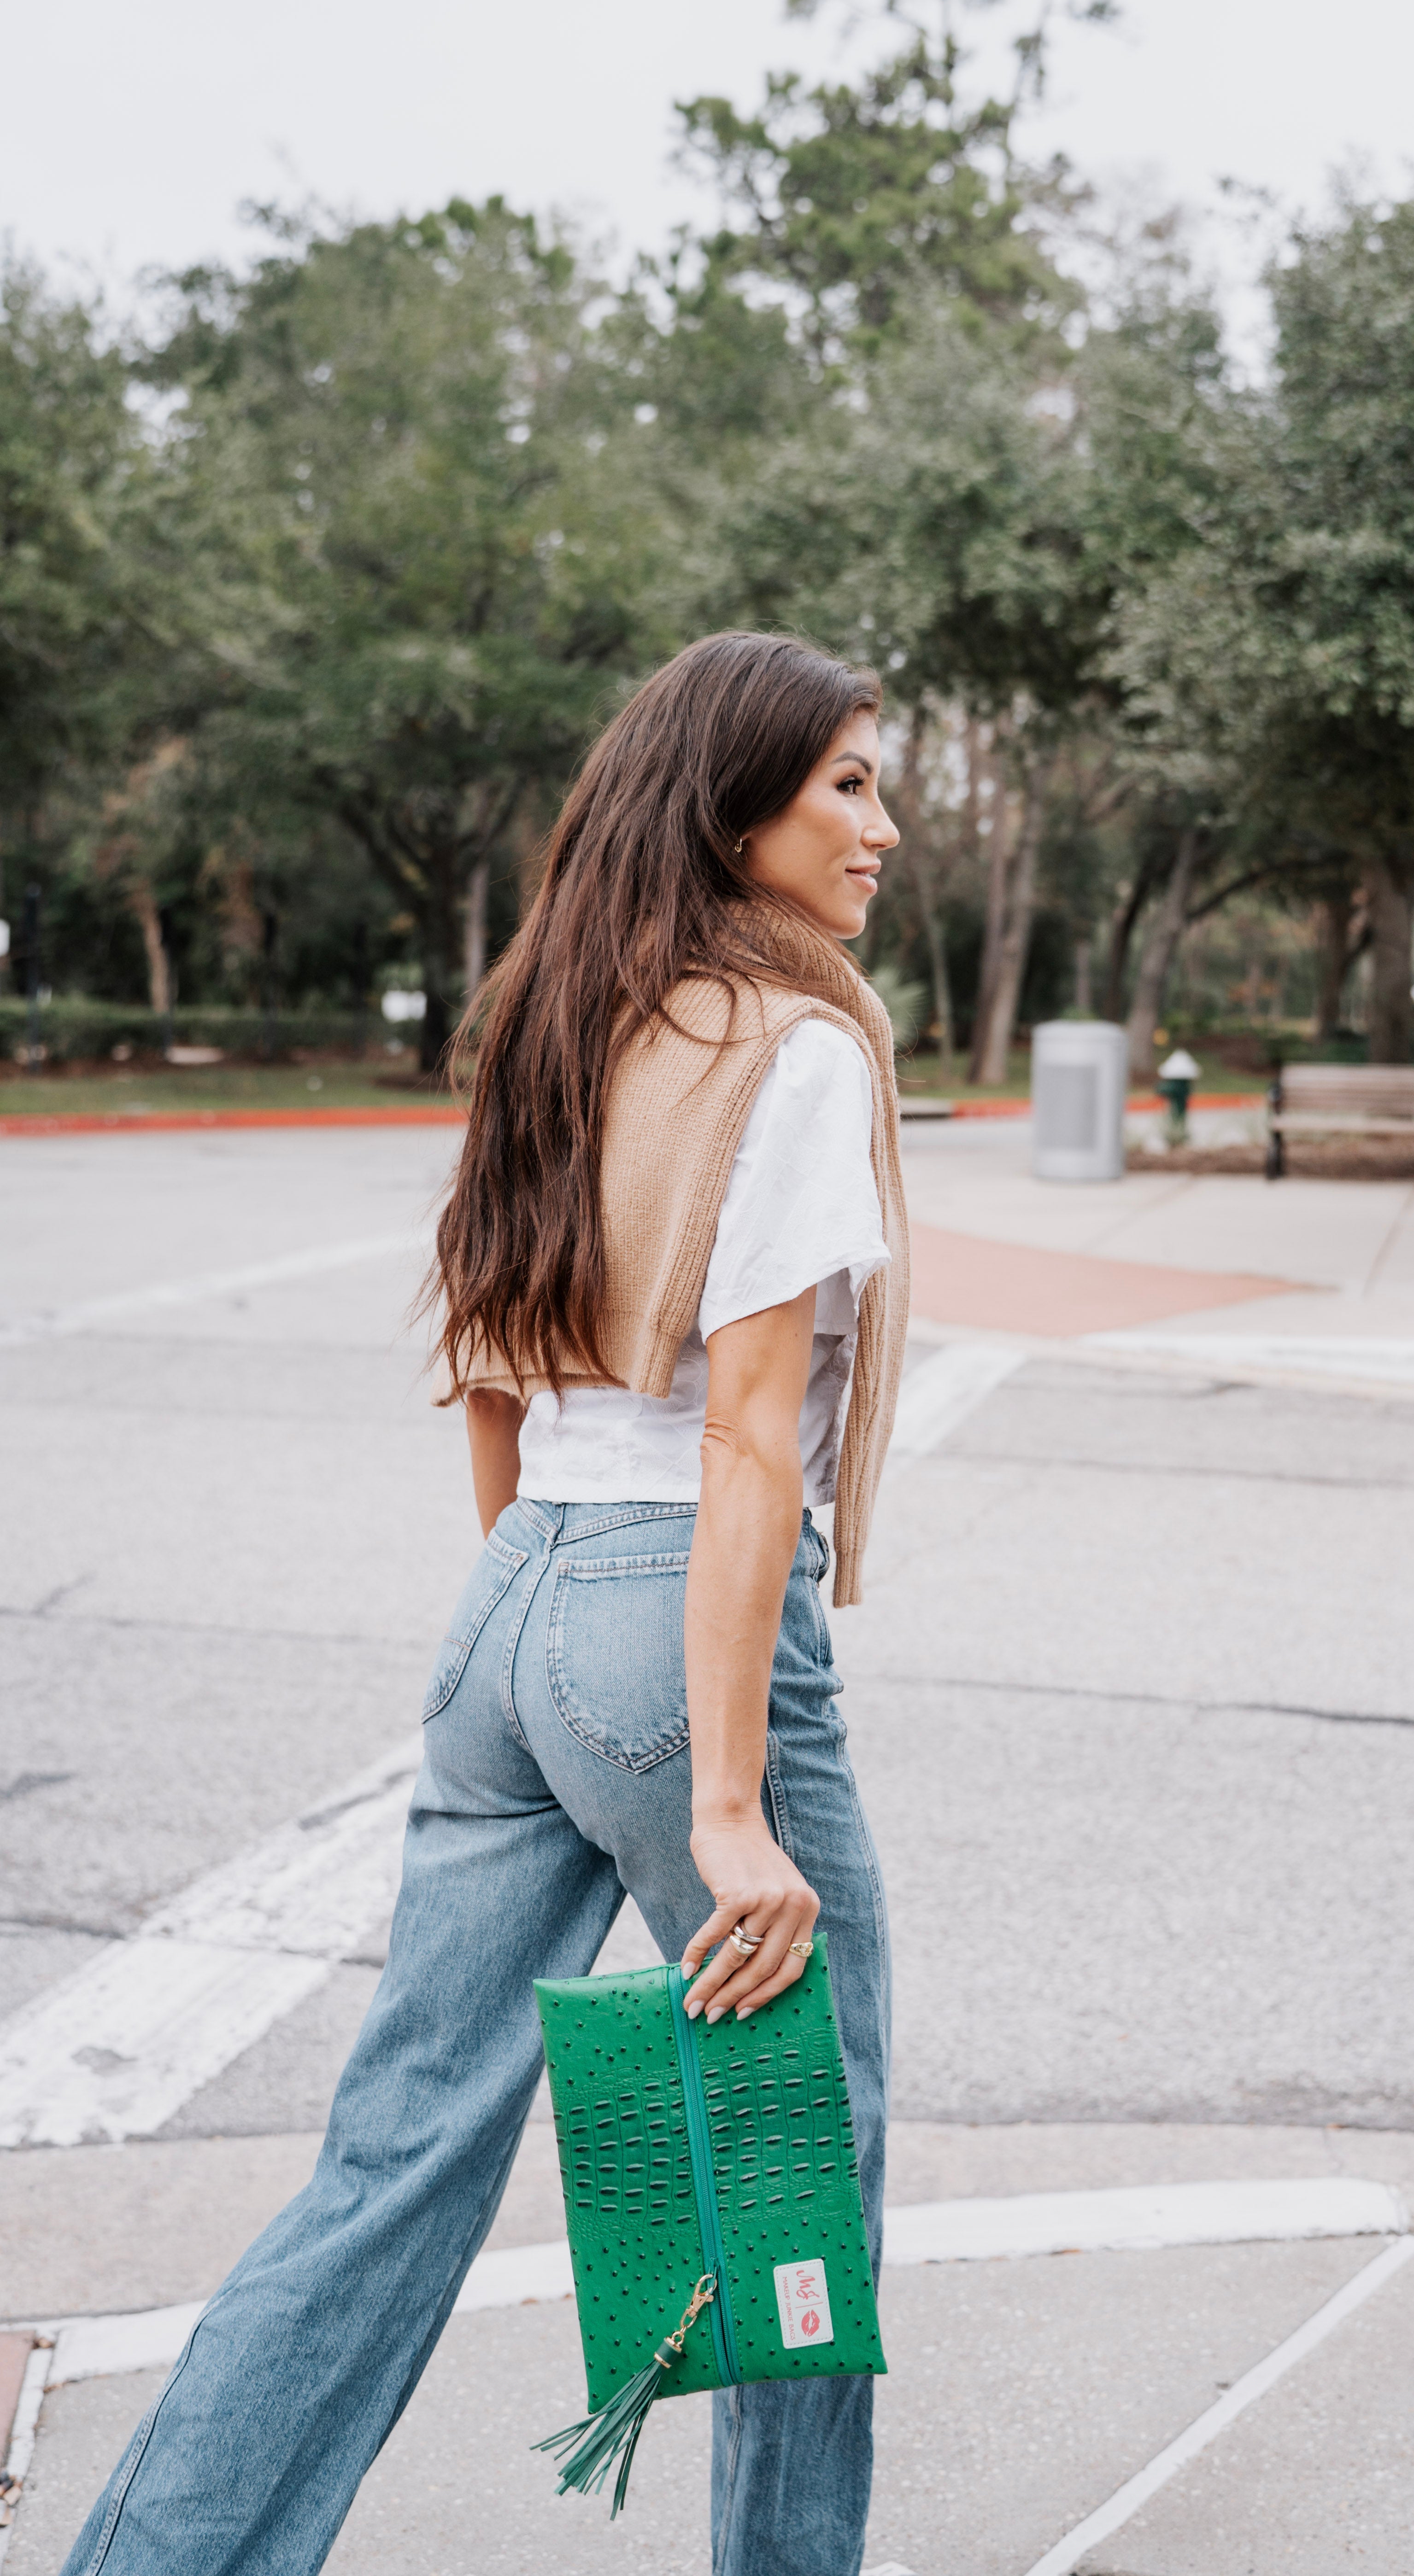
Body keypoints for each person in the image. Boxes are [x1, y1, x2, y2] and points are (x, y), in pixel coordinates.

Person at [63, 631, 910, 2576]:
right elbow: (752, 1443)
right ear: (737, 805)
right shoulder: (791, 1048)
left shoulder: (554, 1011)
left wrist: (533, 1606)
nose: (884, 824)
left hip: (516, 1601)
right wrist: (716, 1799)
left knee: (390, 2162)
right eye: (847, 783)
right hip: (674, 1631)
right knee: (793, 2164)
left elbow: (486, 1357)